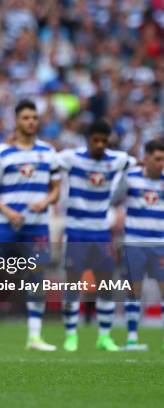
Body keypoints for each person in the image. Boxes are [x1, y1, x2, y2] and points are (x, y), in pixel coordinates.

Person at [0, 100, 60, 351]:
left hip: (37, 228)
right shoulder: (2, 153)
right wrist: (8, 212)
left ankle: (35, 337)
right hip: (6, 227)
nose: (31, 121)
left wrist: (46, 201)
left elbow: (56, 190)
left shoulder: (48, 152)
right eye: (26, 117)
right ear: (17, 121)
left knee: (36, 280)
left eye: (34, 117)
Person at [57, 119, 135, 352]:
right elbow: (49, 162)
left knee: (106, 286)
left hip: (101, 232)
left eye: (104, 141)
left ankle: (104, 336)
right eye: (95, 140)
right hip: (76, 231)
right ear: (88, 140)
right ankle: (71, 336)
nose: (100, 144)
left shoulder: (117, 159)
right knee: (72, 286)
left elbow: (138, 163)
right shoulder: (72, 158)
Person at [117, 138, 164, 351]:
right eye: (157, 159)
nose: (160, 164)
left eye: (163, 160)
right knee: (134, 292)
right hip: (134, 243)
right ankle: (132, 339)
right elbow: (113, 199)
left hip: (160, 244)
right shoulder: (131, 178)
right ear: (146, 159)